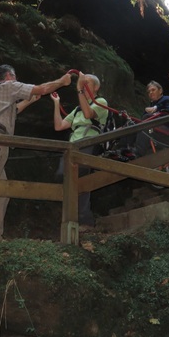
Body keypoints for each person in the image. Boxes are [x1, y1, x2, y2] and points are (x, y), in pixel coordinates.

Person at [0, 64, 72, 240]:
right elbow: (43, 88)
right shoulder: (8, 86)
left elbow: (14, 110)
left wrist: (30, 100)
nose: (17, 79)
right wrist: (62, 81)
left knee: (3, 190)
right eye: (15, 76)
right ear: (9, 76)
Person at [51, 72, 108, 229]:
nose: (83, 84)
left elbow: (89, 114)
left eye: (87, 82)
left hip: (88, 143)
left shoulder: (101, 102)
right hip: (72, 146)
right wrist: (57, 104)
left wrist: (78, 89)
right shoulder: (77, 110)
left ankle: (85, 220)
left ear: (96, 87)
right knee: (63, 176)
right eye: (83, 82)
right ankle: (74, 218)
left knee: (80, 178)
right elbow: (59, 126)